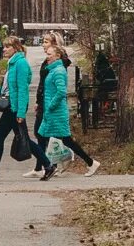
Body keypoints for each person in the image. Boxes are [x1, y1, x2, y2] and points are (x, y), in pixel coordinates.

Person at [0, 36, 52, 181]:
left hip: (14, 108)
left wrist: (21, 112)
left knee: (6, 136)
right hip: (11, 107)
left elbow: (22, 89)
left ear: (16, 48)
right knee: (22, 138)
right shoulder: (12, 64)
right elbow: (3, 89)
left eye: (7, 47)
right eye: (4, 46)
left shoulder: (21, 64)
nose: (4, 49)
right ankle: (48, 166)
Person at [36, 38, 100, 177]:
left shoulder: (58, 71)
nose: (47, 57)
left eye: (49, 54)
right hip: (52, 111)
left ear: (57, 56)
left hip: (56, 112)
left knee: (62, 139)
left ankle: (89, 163)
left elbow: (60, 92)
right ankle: (52, 166)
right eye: (47, 54)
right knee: (49, 138)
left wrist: (50, 106)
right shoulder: (52, 69)